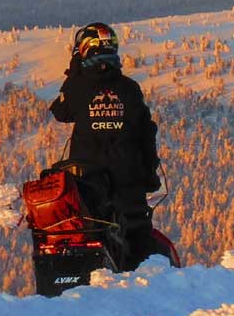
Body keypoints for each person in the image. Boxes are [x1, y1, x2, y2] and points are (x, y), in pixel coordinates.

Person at [49, 22, 162, 270]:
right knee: (138, 242)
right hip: (129, 180)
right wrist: (150, 173)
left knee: (90, 235)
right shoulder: (130, 88)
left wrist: (75, 71)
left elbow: (61, 111)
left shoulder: (78, 86)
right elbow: (146, 134)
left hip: (88, 182)